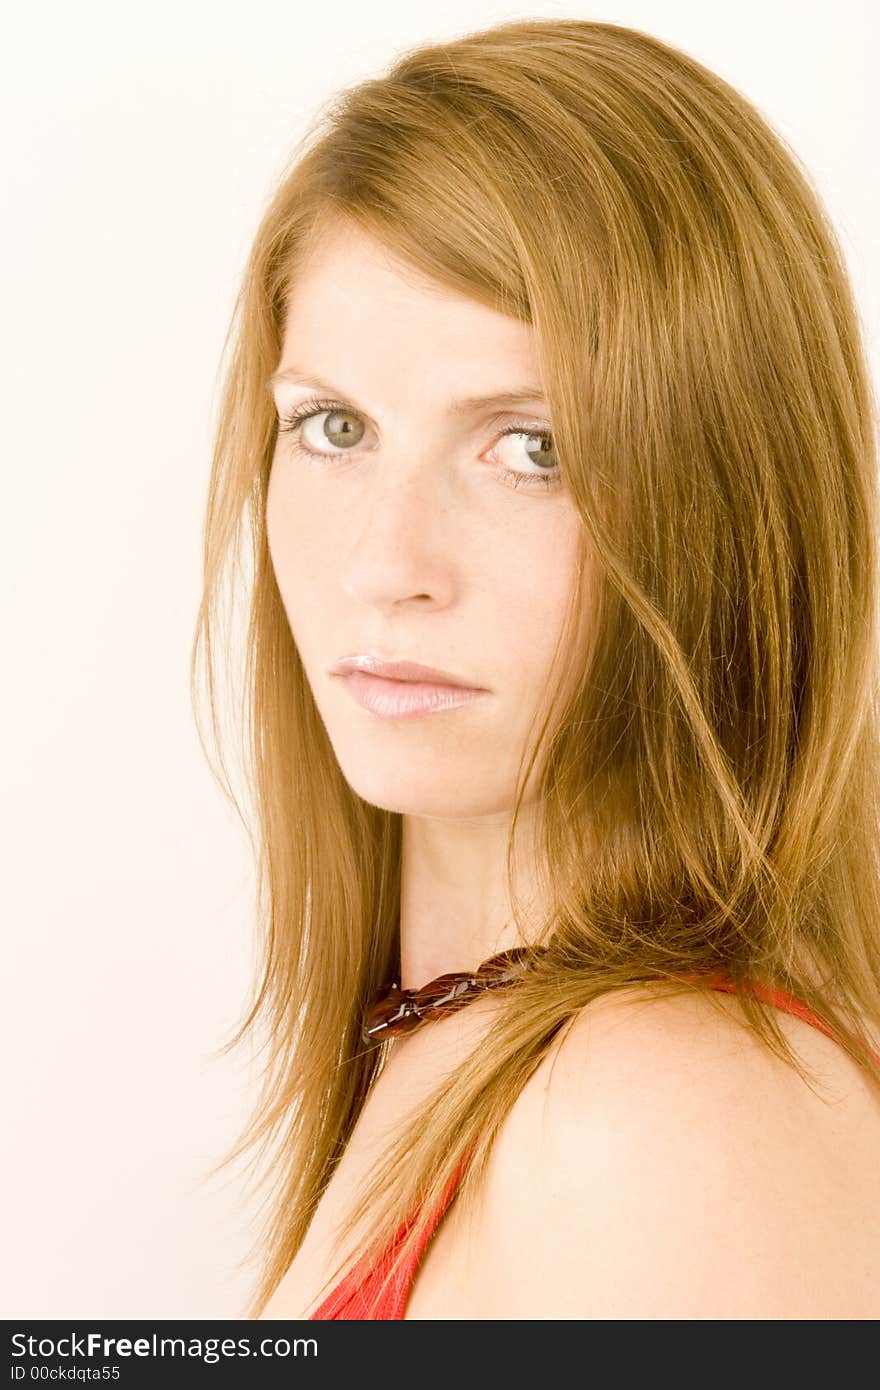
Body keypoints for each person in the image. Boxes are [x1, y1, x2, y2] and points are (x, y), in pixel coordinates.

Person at [191, 17, 880, 1319]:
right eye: (334, 427)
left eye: (531, 449)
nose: (386, 564)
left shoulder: (655, 1122)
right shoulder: (464, 1050)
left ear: (731, 511)